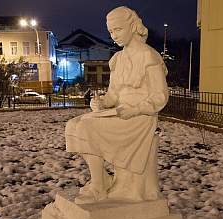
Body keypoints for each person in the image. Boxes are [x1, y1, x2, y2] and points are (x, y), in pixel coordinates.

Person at [65, 6, 169, 204]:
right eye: (111, 32)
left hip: (140, 117)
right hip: (119, 112)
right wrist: (102, 101)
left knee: (87, 126)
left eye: (118, 30)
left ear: (132, 26)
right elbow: (114, 94)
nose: (114, 36)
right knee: (73, 125)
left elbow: (160, 96)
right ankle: (102, 179)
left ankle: (98, 187)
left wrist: (135, 109)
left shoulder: (150, 57)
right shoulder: (117, 60)